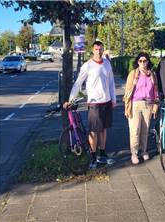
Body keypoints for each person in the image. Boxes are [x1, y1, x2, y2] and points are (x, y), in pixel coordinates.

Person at [63, 40, 116, 169]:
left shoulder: (107, 63)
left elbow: (111, 82)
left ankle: (102, 155)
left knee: (103, 130)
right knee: (94, 132)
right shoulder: (87, 65)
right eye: (96, 49)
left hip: (107, 102)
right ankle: (93, 157)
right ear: (93, 50)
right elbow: (78, 83)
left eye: (101, 49)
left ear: (103, 50)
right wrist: (71, 99)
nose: (99, 51)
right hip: (94, 104)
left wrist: (113, 99)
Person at [124, 52, 159, 164]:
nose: (143, 63)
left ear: (148, 62)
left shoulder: (152, 74)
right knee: (135, 130)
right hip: (135, 104)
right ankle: (134, 153)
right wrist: (134, 84)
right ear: (137, 62)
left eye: (145, 61)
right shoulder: (133, 74)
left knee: (145, 130)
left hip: (148, 104)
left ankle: (143, 151)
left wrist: (155, 105)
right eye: (140, 61)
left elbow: (156, 91)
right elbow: (127, 93)